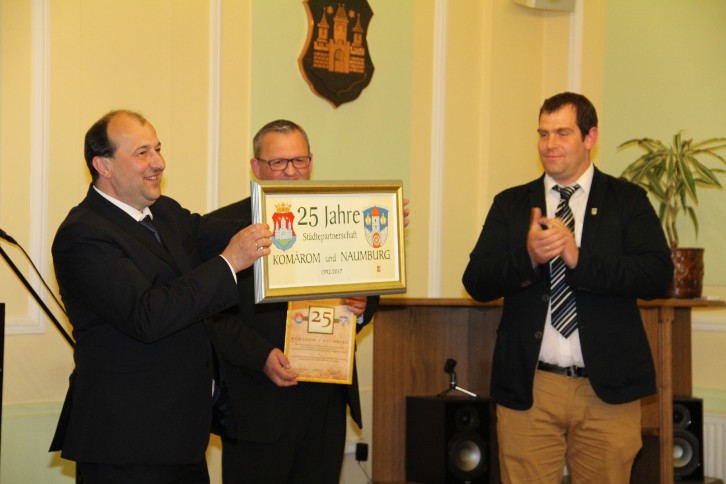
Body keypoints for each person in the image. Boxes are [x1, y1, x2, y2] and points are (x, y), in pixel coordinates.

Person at [50, 110, 273, 483]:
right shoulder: (83, 234)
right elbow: (147, 315)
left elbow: (226, 233)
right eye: (142, 153)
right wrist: (230, 262)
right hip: (125, 444)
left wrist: (302, 220)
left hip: (184, 437)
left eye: (157, 148)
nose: (159, 162)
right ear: (103, 165)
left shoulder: (164, 212)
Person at [462, 92, 674, 483]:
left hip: (607, 387)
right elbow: (476, 281)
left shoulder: (627, 200)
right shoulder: (511, 204)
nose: (550, 144)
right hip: (531, 386)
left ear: (590, 137)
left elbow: (658, 275)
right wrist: (528, 257)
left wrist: (580, 259)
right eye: (543, 134)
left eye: (562, 133)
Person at [205, 119, 381, 484]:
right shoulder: (220, 227)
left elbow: (369, 290)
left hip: (325, 402)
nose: (291, 171)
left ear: (311, 163)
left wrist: (362, 306)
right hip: (257, 402)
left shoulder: (341, 219)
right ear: (256, 167)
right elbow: (211, 314)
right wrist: (261, 356)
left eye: (299, 161)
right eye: (278, 162)